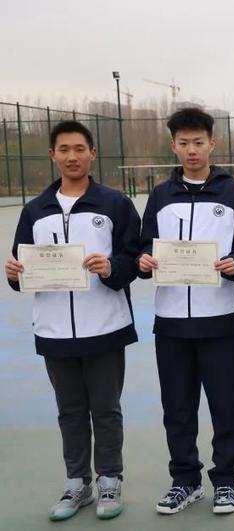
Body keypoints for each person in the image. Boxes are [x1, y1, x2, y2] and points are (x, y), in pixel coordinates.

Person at [5, 120, 140, 521]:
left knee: (106, 408)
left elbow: (133, 261)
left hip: (105, 327)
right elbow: (22, 268)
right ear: (52, 155)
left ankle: (110, 479)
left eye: (80, 149)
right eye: (64, 149)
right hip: (54, 331)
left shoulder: (115, 205)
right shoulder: (35, 211)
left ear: (92, 154)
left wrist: (110, 267)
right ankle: (77, 483)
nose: (72, 156)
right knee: (70, 411)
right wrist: (14, 275)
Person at [137, 107, 234, 515]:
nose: (192, 150)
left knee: (227, 405)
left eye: (199, 142)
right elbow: (144, 246)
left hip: (221, 320)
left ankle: (225, 481)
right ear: (174, 146)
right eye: (184, 143)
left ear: (212, 144)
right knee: (177, 407)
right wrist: (144, 261)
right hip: (171, 323)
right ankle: (184, 480)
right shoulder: (160, 196)